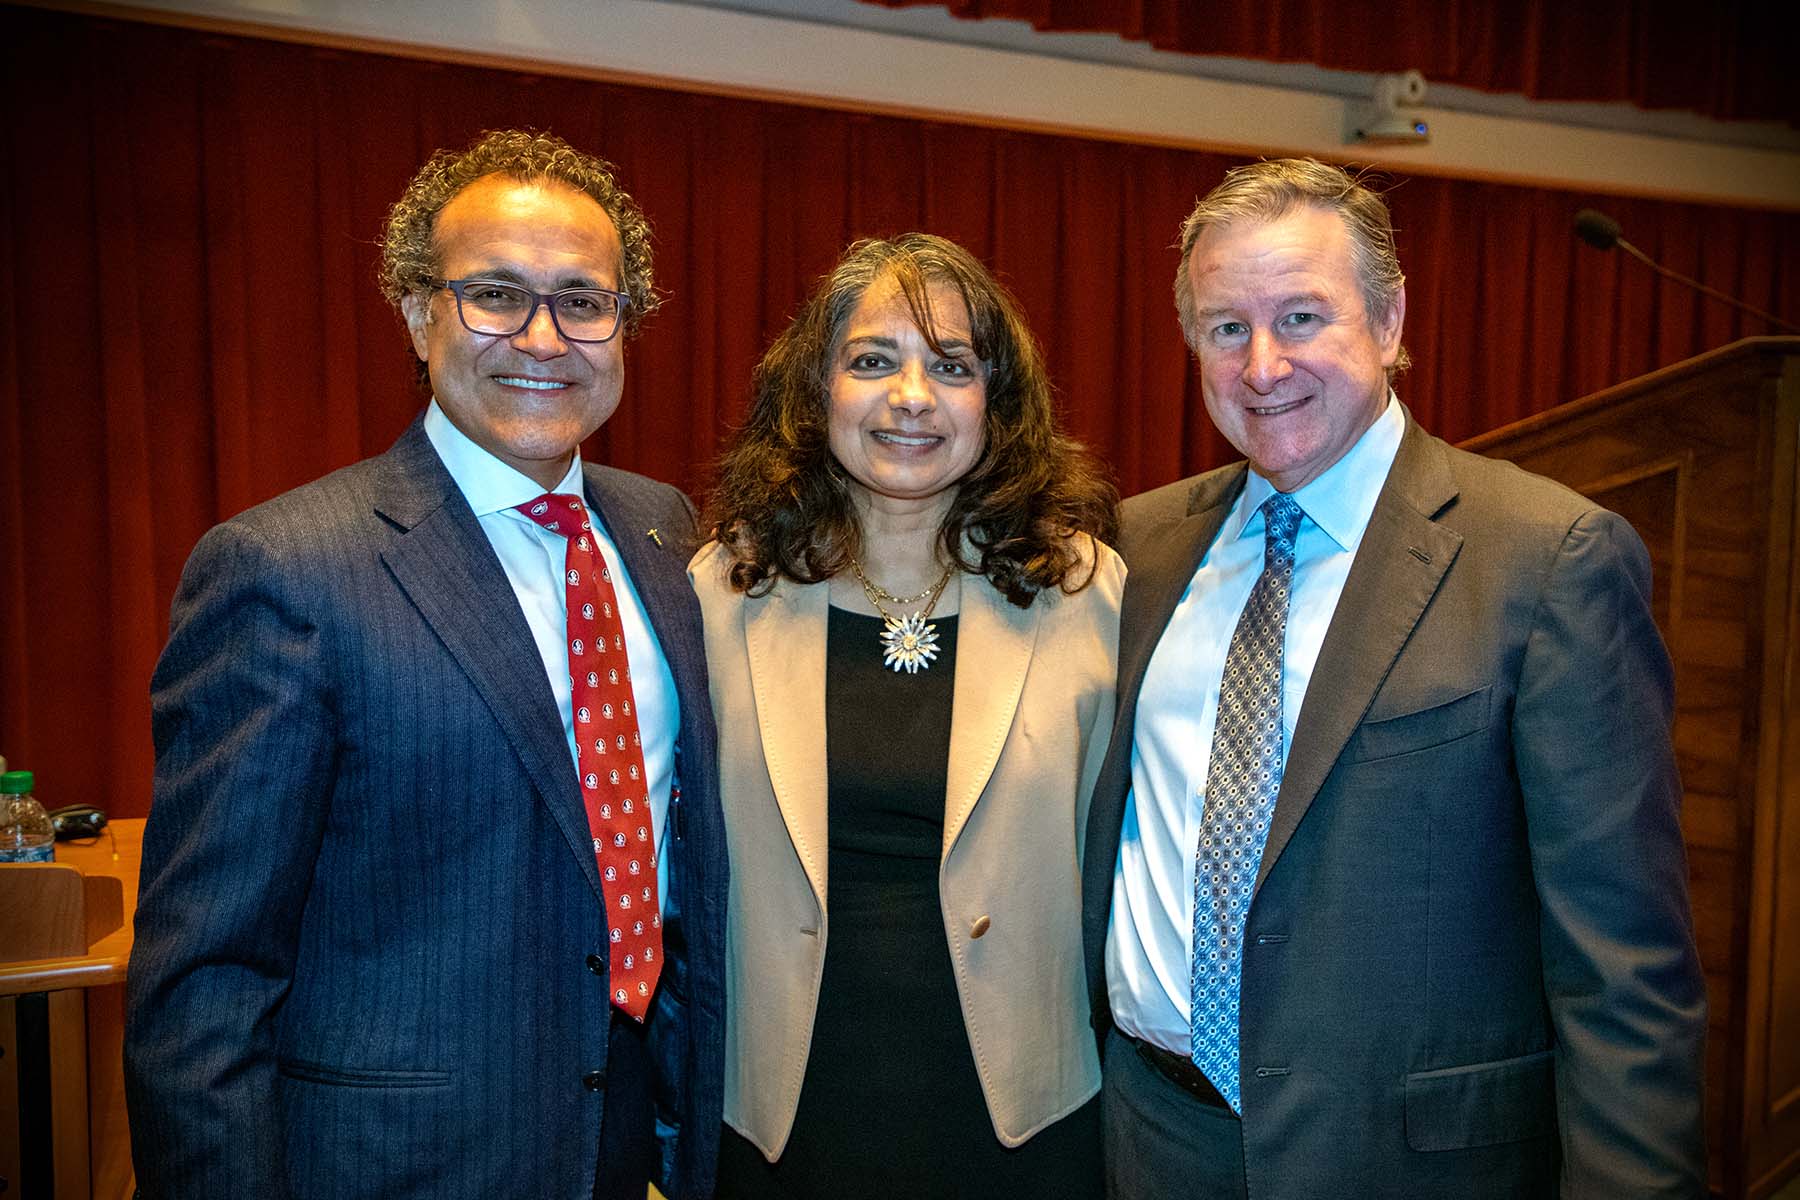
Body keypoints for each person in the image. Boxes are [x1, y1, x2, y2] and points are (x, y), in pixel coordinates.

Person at [1081, 158, 1708, 1198]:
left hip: (1411, 1166)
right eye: (1226, 328)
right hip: (1153, 1141)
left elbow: (1625, 972)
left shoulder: (1547, 561)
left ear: (1388, 318)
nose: (1264, 364)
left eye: (1301, 316)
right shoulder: (1133, 550)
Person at [124, 129, 726, 1199]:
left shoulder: (665, 532)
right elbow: (205, 986)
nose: (543, 339)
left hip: (625, 1145)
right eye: (495, 293)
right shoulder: (284, 570)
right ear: (416, 313)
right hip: (392, 1168)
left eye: (584, 301)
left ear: (624, 327)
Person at [691, 233, 1121, 1198]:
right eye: (873, 360)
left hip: (1025, 1122)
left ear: (996, 404)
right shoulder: (722, 594)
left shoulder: (1088, 592)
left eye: (953, 366)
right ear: (817, 394)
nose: (912, 396)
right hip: (782, 1121)